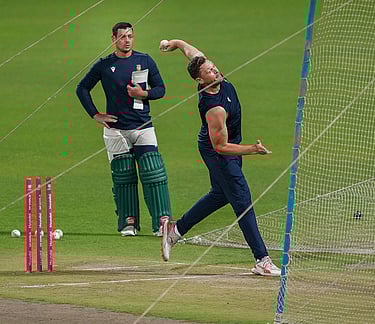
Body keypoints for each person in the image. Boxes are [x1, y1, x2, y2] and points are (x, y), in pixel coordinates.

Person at [159, 39, 280, 276]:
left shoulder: (212, 74)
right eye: (210, 72)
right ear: (200, 80)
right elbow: (222, 146)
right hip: (219, 152)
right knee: (242, 200)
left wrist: (175, 43)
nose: (216, 71)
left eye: (214, 68)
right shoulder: (214, 108)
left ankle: (175, 230)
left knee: (221, 195)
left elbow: (192, 52)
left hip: (226, 147)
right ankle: (261, 259)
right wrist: (253, 150)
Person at [76, 22, 172, 237]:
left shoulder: (144, 60)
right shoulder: (104, 65)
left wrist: (144, 94)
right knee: (123, 176)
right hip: (115, 129)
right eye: (122, 37)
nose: (127, 40)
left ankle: (161, 222)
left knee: (153, 171)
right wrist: (95, 114)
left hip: (143, 126)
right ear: (113, 39)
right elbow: (82, 88)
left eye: (130, 36)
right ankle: (128, 222)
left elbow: (161, 89)